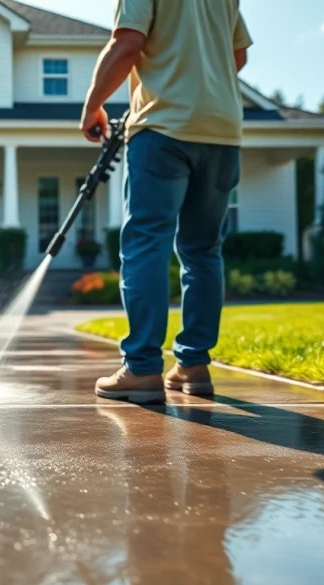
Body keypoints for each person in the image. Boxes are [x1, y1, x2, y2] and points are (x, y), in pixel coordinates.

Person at [80, 0, 252, 403]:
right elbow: (238, 55)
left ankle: (140, 368)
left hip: (163, 129)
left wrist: (92, 106)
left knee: (146, 243)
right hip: (222, 131)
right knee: (203, 251)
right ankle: (193, 365)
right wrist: (200, 84)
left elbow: (126, 46)